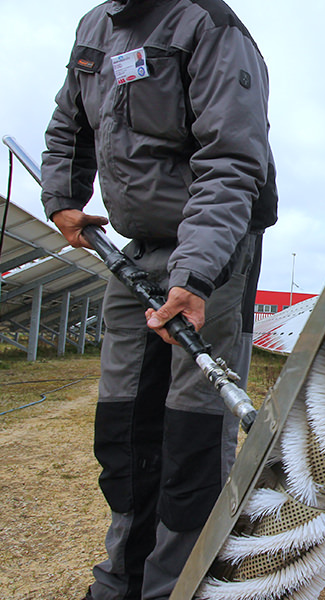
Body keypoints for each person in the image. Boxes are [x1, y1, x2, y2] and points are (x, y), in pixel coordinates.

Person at [40, 1, 278, 598]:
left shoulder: (208, 25)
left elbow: (230, 158)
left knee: (191, 432)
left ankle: (175, 586)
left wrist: (194, 275)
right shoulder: (95, 27)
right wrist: (62, 196)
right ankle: (120, 578)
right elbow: (69, 123)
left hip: (214, 253)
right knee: (123, 423)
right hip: (133, 248)